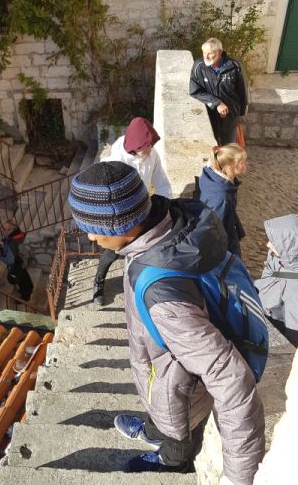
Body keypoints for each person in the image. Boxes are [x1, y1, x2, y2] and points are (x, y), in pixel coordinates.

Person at [68, 161, 264, 483]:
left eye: (95, 228)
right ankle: (153, 426)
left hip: (183, 392)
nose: (90, 237)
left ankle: (170, 462)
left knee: (179, 435)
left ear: (122, 226)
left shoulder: (163, 296)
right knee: (162, 409)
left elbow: (231, 381)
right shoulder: (178, 217)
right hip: (165, 372)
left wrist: (238, 478)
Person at [92, 117, 172, 306]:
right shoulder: (114, 161)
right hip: (118, 213)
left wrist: (165, 205)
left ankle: (138, 287)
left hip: (142, 209)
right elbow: (106, 195)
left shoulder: (151, 154)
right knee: (112, 253)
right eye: (146, 146)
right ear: (134, 145)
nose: (150, 149)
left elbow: (161, 183)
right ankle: (98, 281)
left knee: (143, 251)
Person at [254, 214, 298, 348]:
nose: (268, 244)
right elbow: (268, 273)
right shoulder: (281, 256)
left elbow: (296, 338)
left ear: (291, 248)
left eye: (274, 242)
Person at [189, 37, 248, 145]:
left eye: (210, 53)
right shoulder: (199, 66)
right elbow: (194, 91)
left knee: (229, 148)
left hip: (230, 116)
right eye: (204, 53)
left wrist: (241, 113)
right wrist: (217, 103)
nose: (206, 57)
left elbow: (242, 91)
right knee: (212, 147)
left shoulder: (235, 66)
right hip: (210, 114)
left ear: (220, 52)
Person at [198, 144, 247, 256]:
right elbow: (216, 229)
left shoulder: (216, 180)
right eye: (242, 162)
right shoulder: (221, 196)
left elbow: (230, 212)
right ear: (229, 167)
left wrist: (239, 231)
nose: (246, 165)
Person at [0, 222, 34, 302]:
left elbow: (10, 259)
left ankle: (25, 297)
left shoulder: (12, 242)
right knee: (24, 275)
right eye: (4, 229)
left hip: (18, 264)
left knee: (21, 280)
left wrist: (1, 249)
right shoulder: (18, 235)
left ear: (13, 229)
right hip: (23, 261)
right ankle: (30, 288)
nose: (5, 231)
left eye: (8, 229)